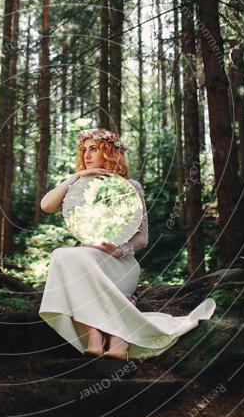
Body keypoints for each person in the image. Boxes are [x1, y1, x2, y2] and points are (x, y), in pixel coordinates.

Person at [38, 127, 216, 361]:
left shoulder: (130, 187)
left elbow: (142, 238)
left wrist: (119, 250)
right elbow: (46, 206)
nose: (87, 155)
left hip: (120, 263)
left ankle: (116, 339)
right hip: (84, 260)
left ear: (109, 152)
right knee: (64, 255)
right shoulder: (79, 189)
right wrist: (76, 177)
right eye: (84, 150)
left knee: (70, 257)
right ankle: (95, 337)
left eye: (94, 149)